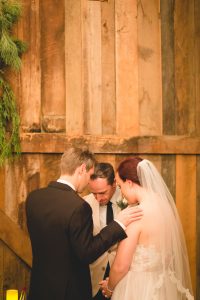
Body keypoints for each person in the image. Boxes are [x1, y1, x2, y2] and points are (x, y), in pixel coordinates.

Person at [25, 147, 143, 300]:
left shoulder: (33, 198)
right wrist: (118, 224)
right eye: (89, 175)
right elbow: (86, 253)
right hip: (69, 292)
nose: (89, 182)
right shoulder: (79, 206)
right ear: (82, 169)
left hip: (39, 289)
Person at [100, 157, 194, 300]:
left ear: (130, 183)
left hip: (136, 288)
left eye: (120, 186)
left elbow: (121, 266)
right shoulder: (166, 208)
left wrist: (110, 287)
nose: (121, 192)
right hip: (162, 285)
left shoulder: (136, 215)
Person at [84, 162, 128, 300]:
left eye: (102, 192)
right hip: (94, 278)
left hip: (124, 276)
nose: (98, 198)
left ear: (114, 183)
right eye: (93, 193)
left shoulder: (129, 199)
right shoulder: (84, 203)